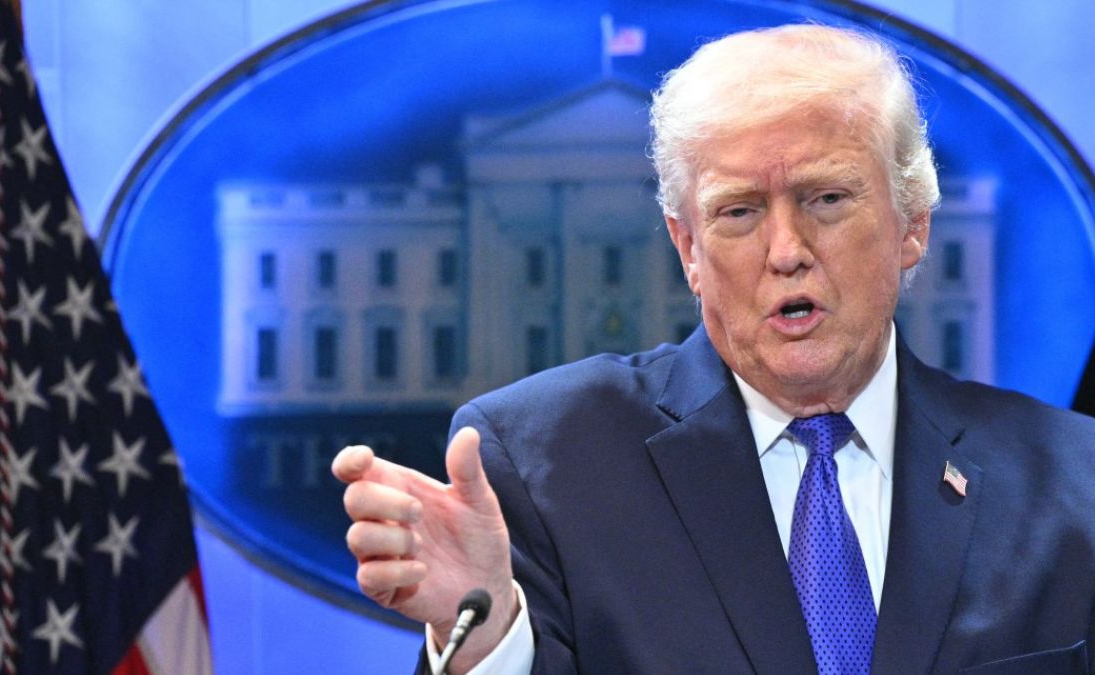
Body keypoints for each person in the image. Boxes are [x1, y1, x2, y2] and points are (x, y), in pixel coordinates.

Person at [333, 24, 1095, 674]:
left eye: (826, 198)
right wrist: (489, 635)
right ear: (688, 247)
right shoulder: (543, 465)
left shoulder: (1075, 478)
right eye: (738, 212)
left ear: (913, 224)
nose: (786, 250)